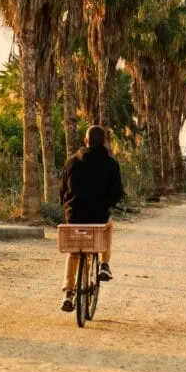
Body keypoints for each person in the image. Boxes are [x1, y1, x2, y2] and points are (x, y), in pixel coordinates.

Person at [59, 125, 124, 312]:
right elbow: (117, 191)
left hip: (74, 216)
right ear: (104, 142)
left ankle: (68, 293)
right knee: (107, 227)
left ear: (86, 141)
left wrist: (67, 207)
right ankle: (104, 264)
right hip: (98, 216)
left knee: (74, 252)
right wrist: (107, 205)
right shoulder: (111, 163)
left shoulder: (72, 161)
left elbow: (62, 189)